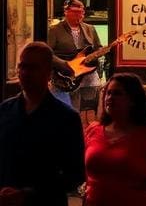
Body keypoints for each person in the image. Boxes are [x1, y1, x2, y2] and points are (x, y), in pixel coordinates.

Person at [0, 42, 85, 206]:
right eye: (22, 66)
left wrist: (27, 195)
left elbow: (75, 176)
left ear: (48, 73)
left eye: (33, 68)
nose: (25, 73)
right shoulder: (4, 111)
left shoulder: (67, 119)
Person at [83, 73, 146, 206]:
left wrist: (134, 187)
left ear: (133, 100)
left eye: (117, 93)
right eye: (108, 93)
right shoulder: (93, 130)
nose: (110, 98)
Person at [47, 0, 103, 119]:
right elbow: (48, 53)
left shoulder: (90, 29)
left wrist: (96, 55)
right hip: (65, 76)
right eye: (77, 12)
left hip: (87, 76)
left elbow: (98, 48)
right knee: (65, 111)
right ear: (67, 12)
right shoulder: (55, 30)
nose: (80, 15)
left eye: (82, 12)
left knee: (89, 111)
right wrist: (65, 65)